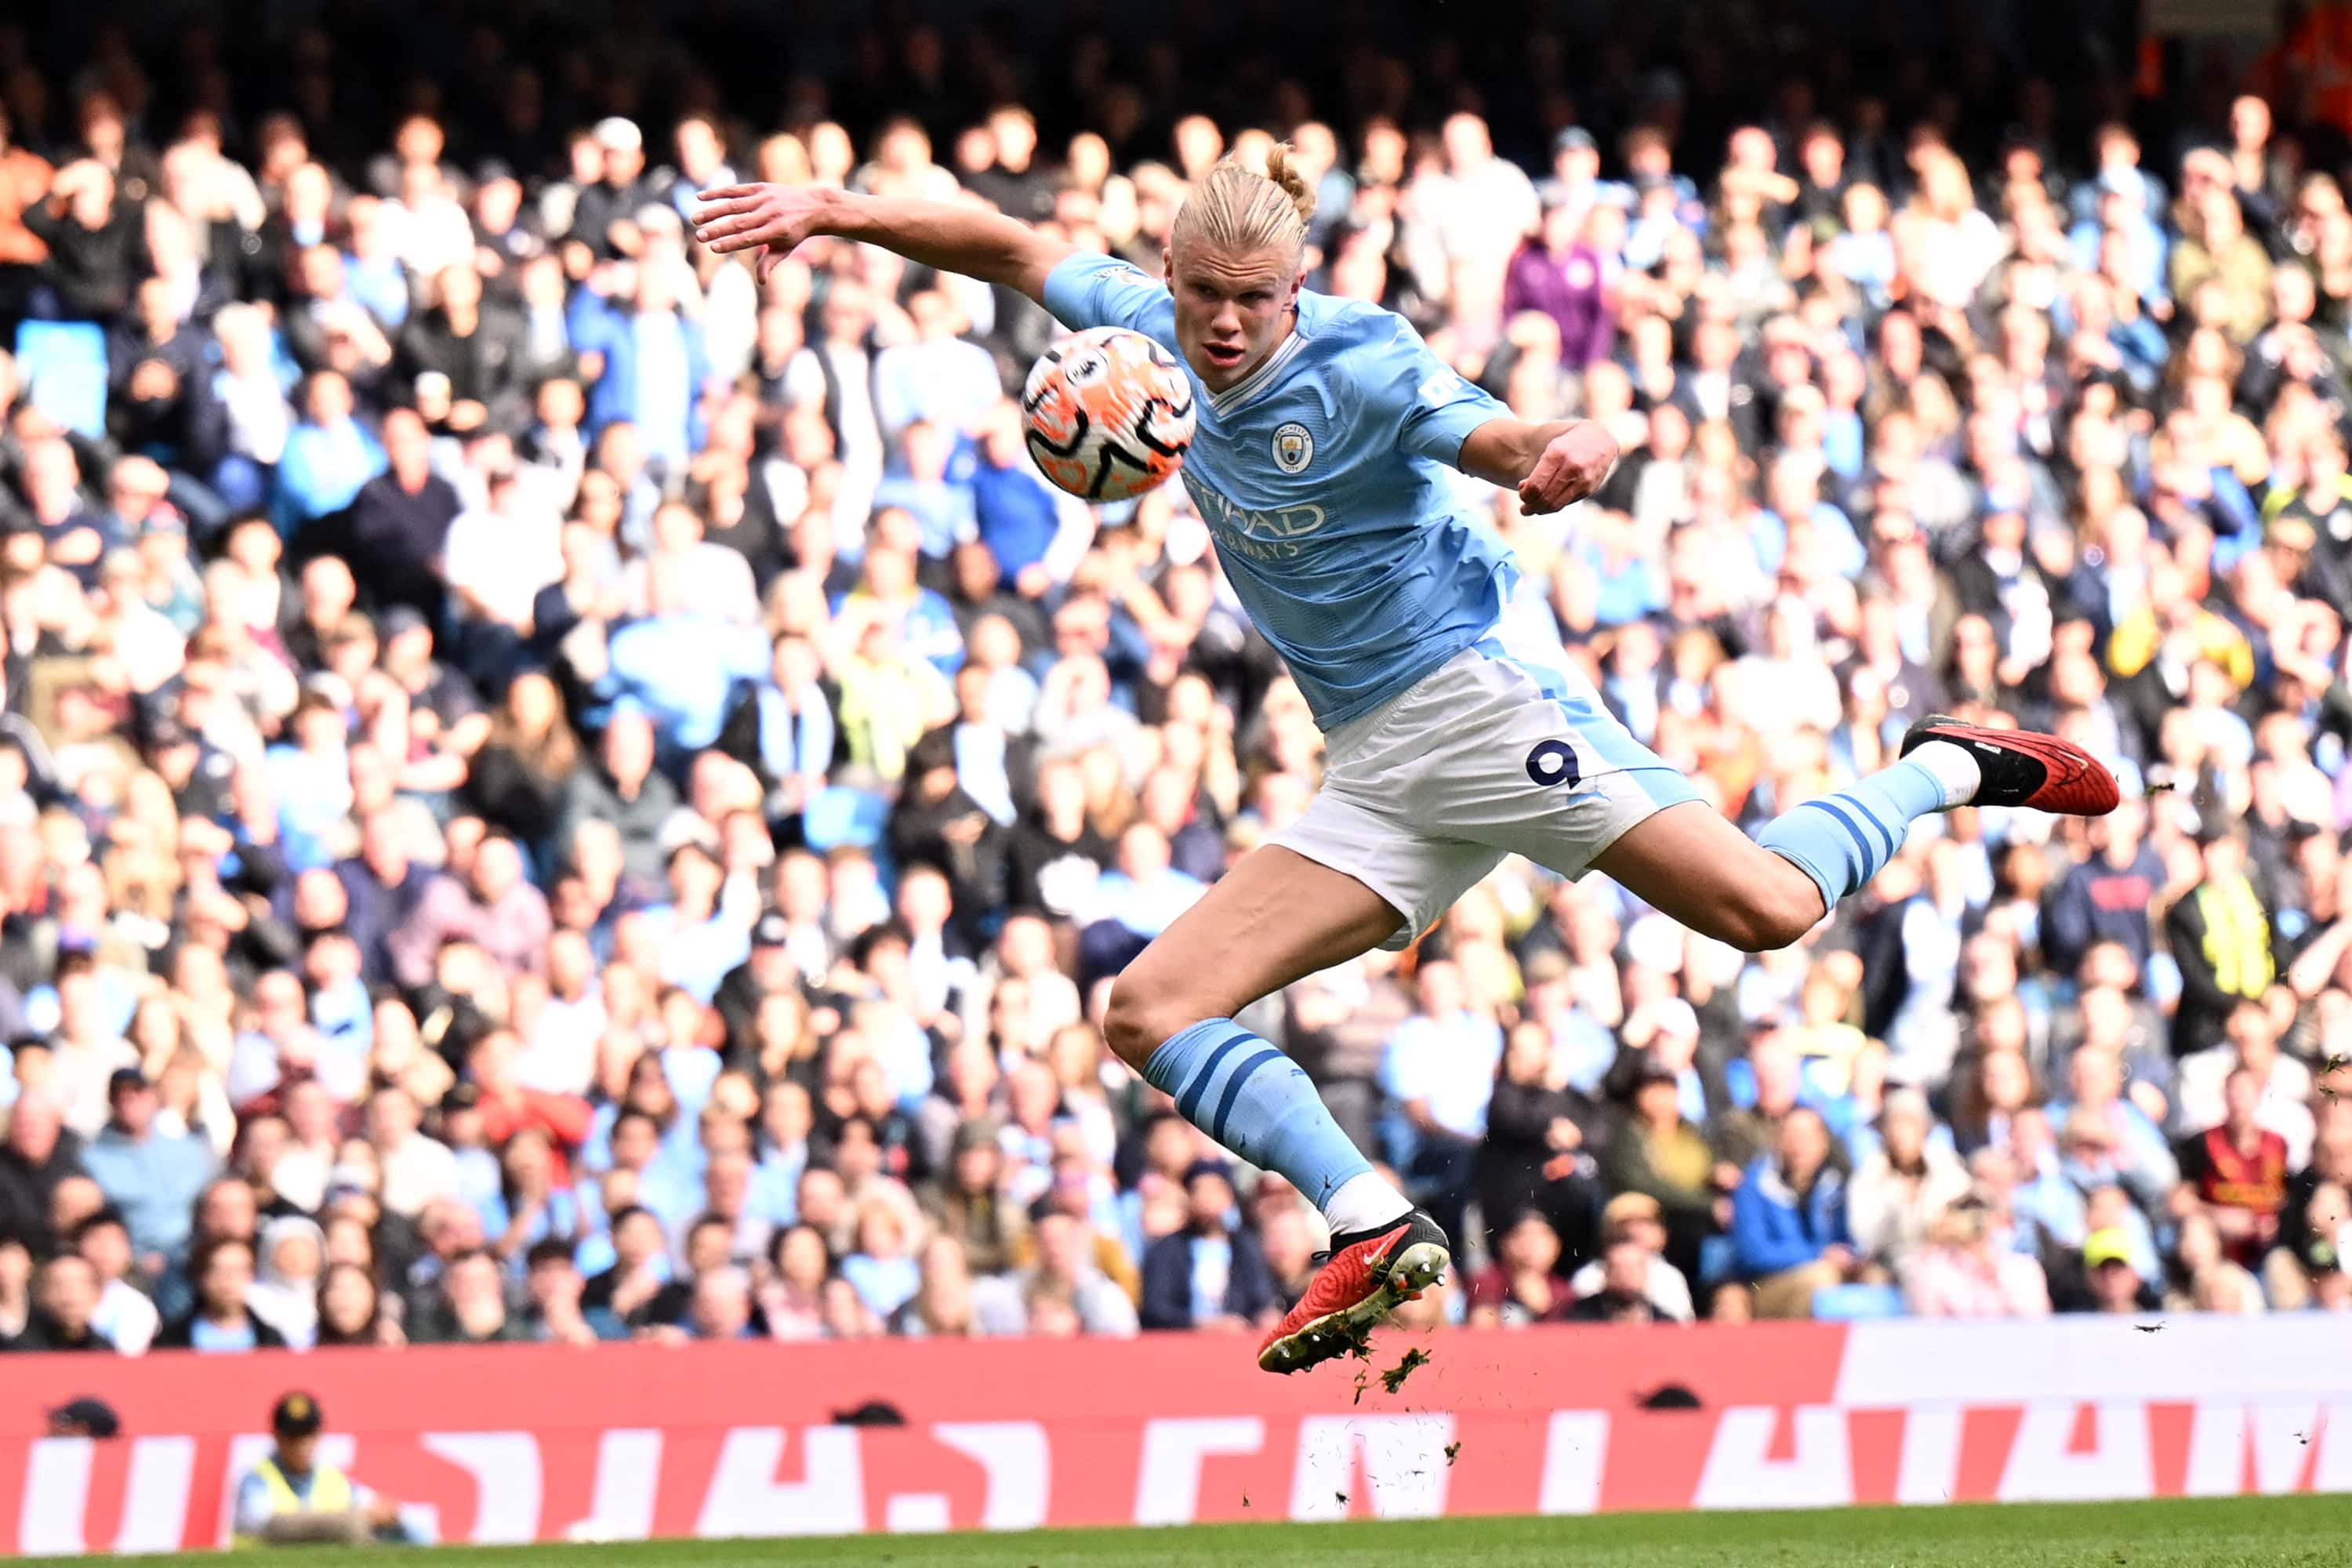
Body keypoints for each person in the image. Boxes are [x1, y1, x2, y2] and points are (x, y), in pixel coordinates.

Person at [695, 139, 2120, 1374]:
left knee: (1763, 911)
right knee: (1148, 1012)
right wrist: (837, 207)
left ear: (1297, 289)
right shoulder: (1137, 331)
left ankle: (1944, 762)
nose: (1230, 327)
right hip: (1373, 762)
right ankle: (1376, 1224)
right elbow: (1012, 243)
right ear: (1174, 280)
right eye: (1208, 299)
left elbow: (1493, 434)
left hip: (1477, 709)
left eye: (1257, 301)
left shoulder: (1363, 361)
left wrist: (1564, 450)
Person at [231, 1392, 417, 1547]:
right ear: (276, 1437)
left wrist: (385, 1515)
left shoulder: (332, 1478)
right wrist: (346, 1523)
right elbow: (262, 1525)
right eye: (292, 1436)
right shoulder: (256, 1480)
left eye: (308, 1434)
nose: (301, 1444)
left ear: (319, 1435)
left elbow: (382, 1510)